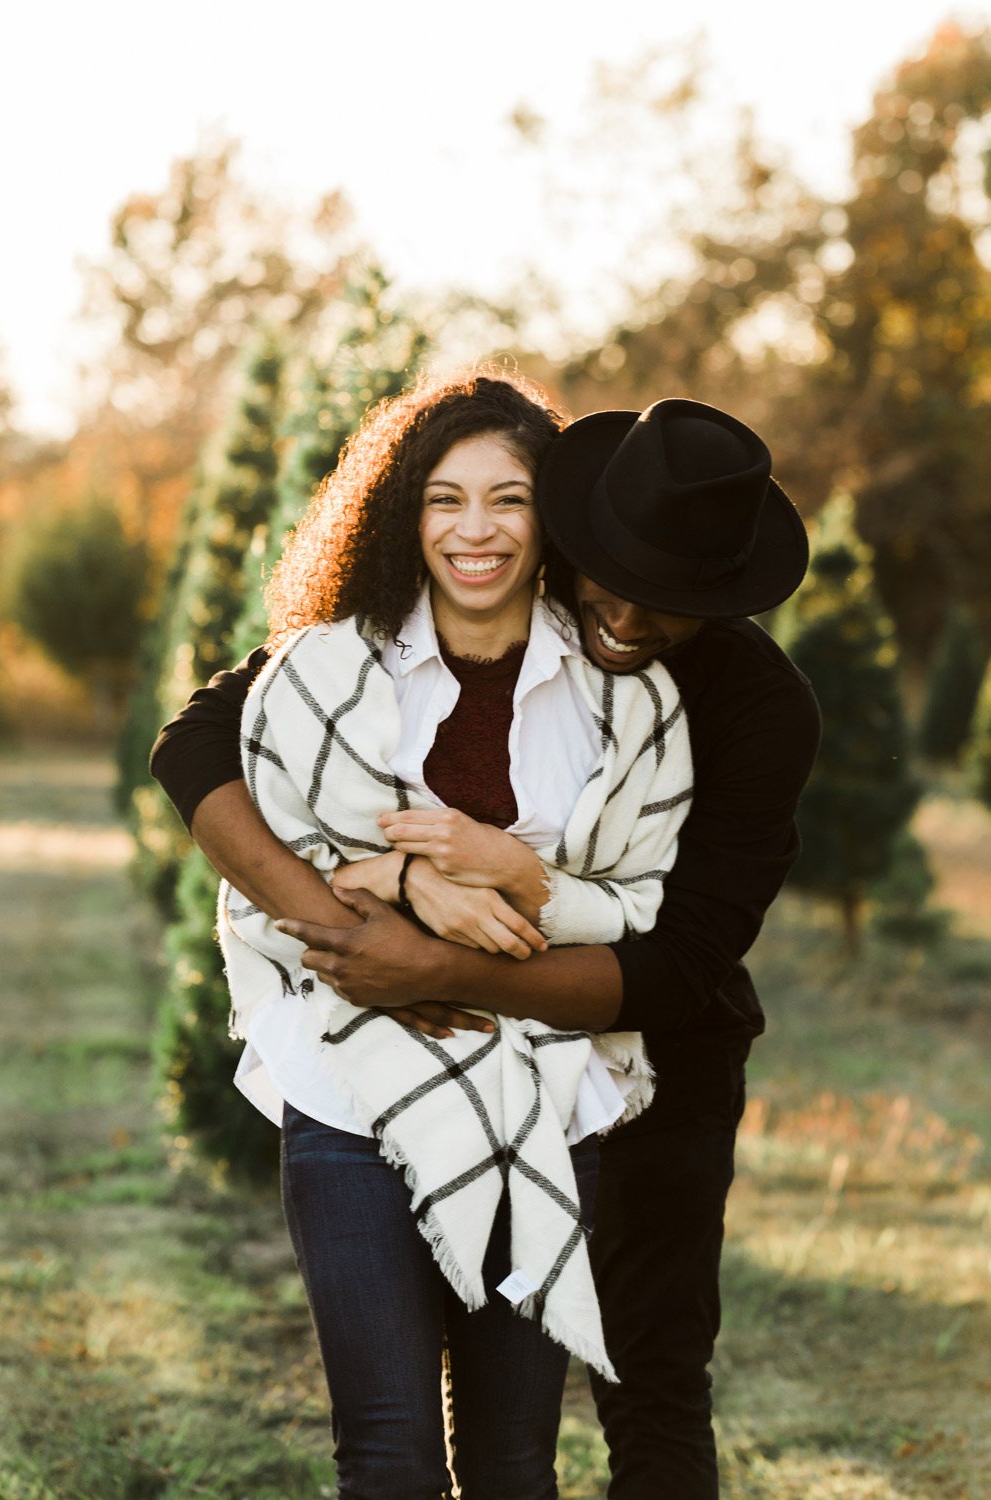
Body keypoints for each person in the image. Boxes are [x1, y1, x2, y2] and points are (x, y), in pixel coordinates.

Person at [152, 387, 822, 1499]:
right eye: (615, 579)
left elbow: (676, 962)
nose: (630, 617)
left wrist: (451, 959)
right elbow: (200, 740)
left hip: (657, 1050)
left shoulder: (759, 708)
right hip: (439, 1064)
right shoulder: (494, 591)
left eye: (671, 602)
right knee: (425, 1441)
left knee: (651, 1381)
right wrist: (351, 925)